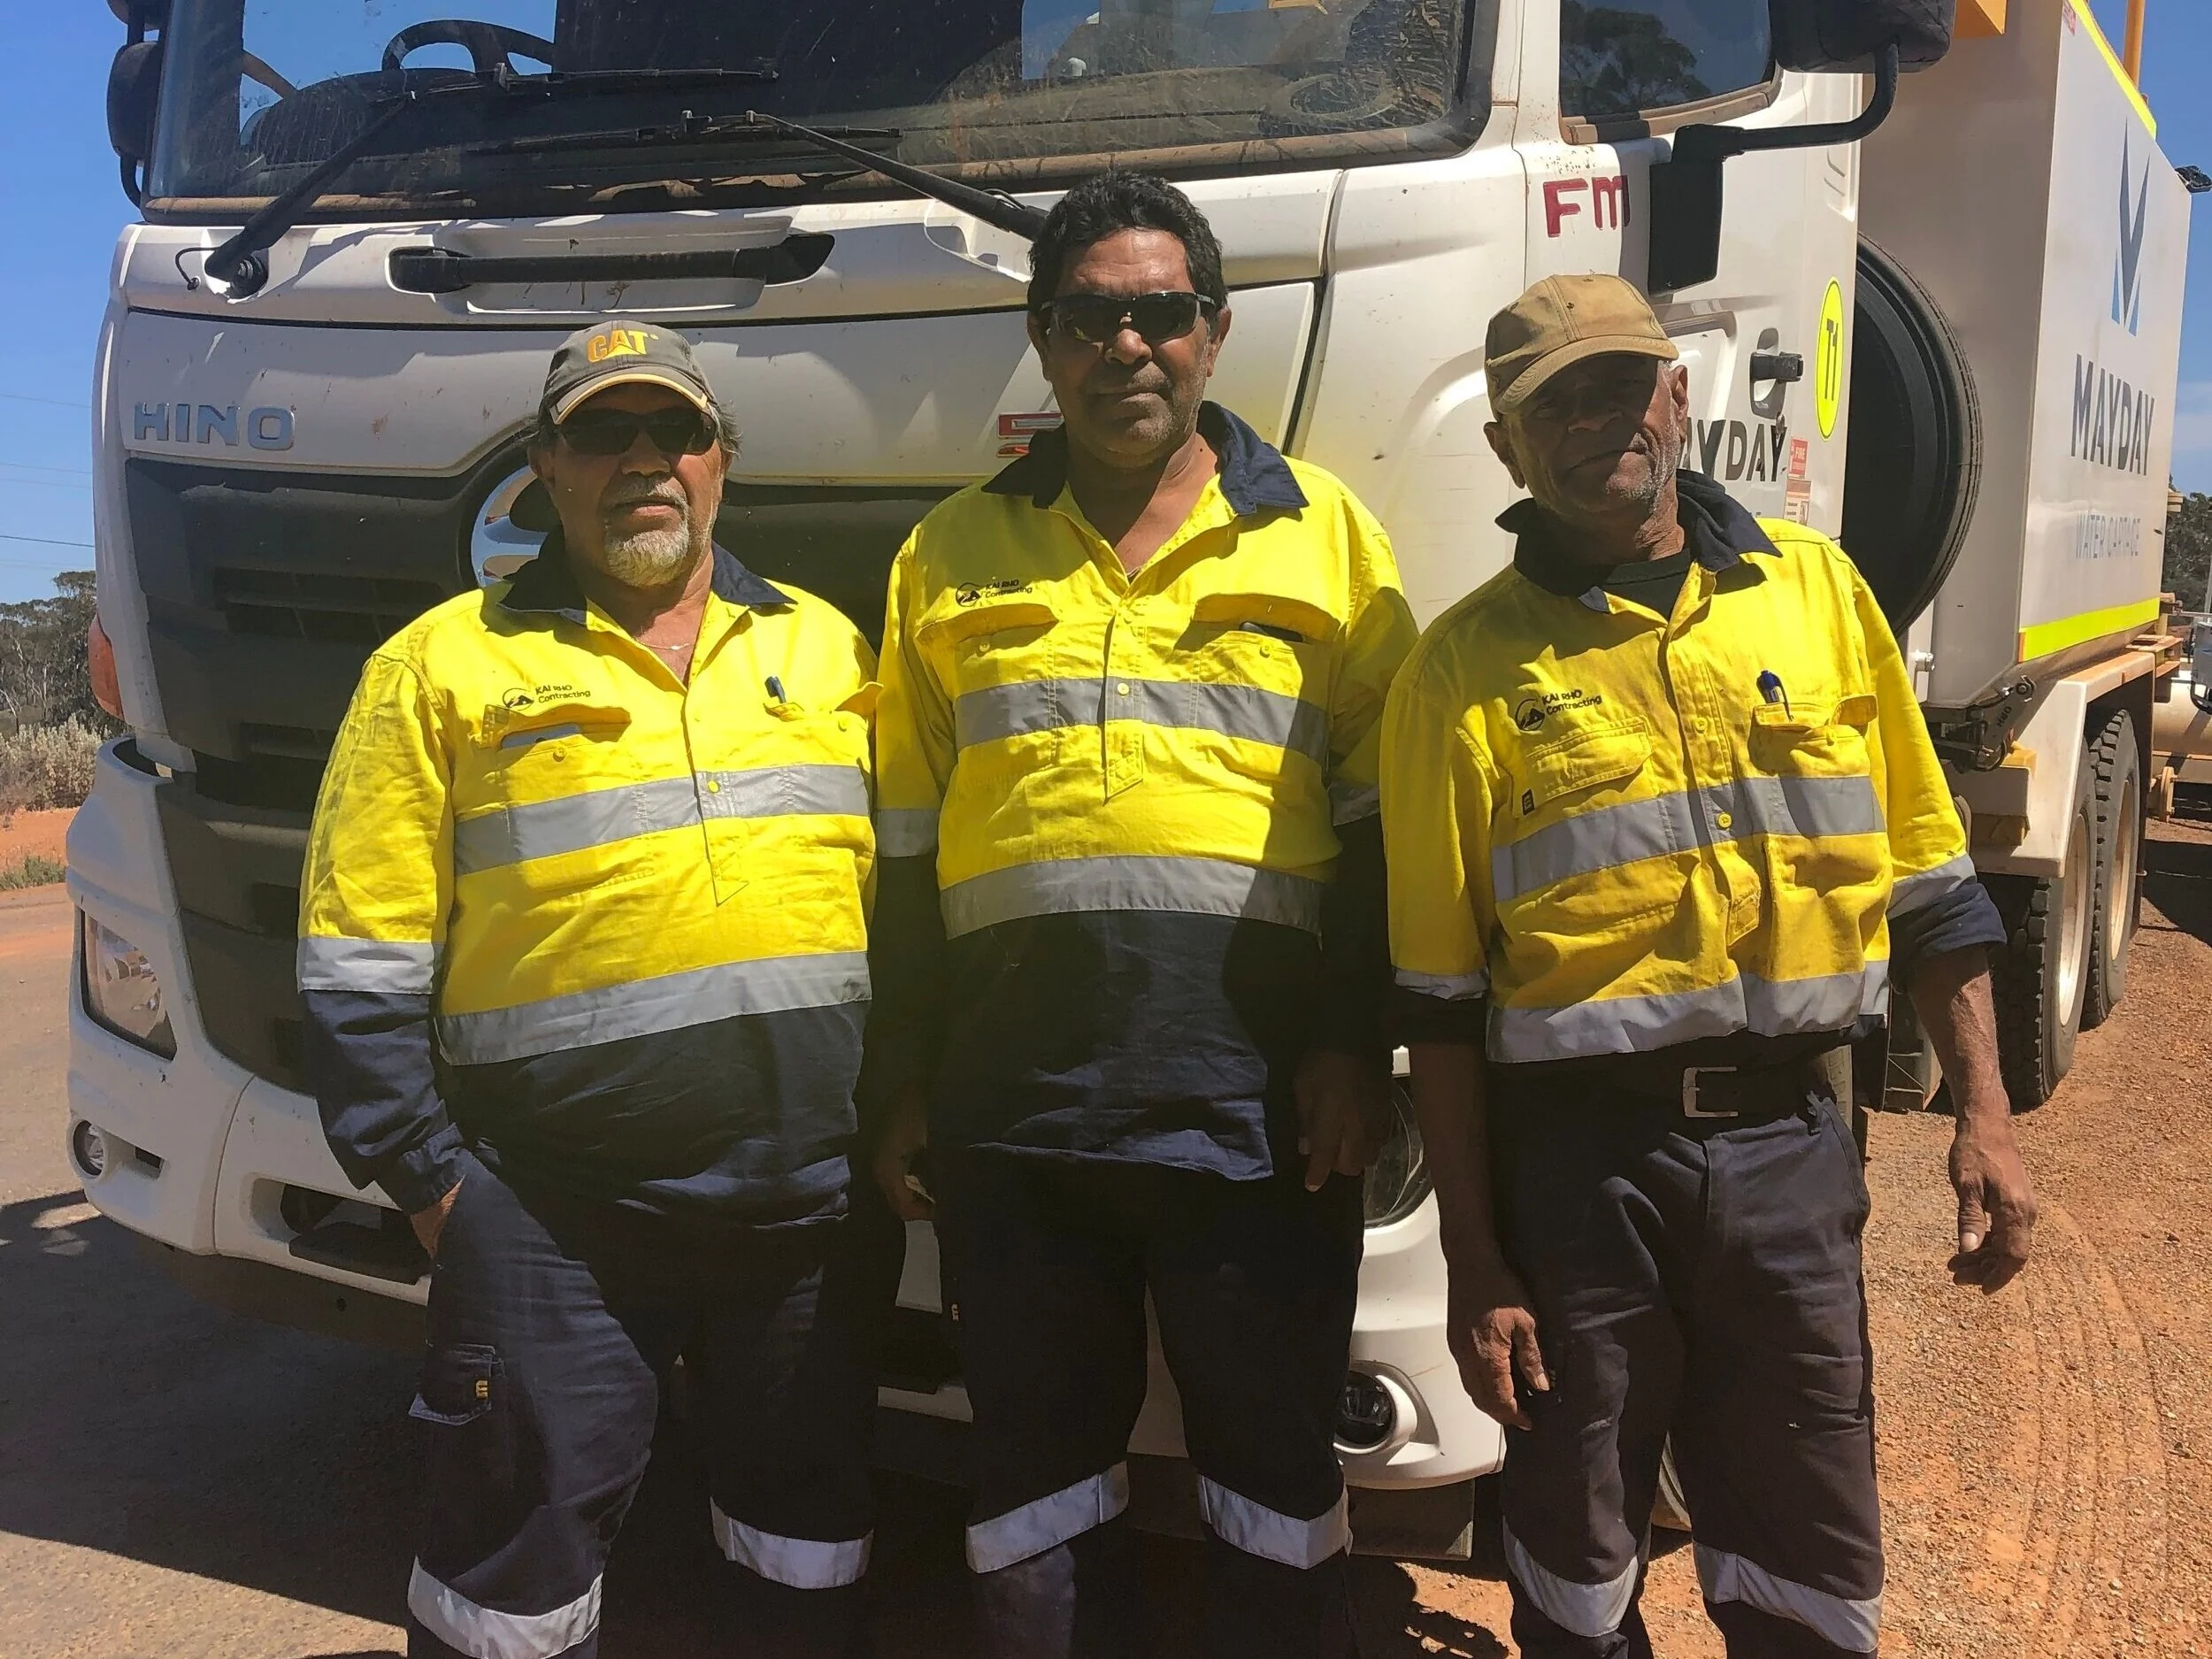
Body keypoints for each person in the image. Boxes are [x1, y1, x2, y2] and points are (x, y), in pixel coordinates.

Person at [1381, 273, 2039, 1658]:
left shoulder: (1818, 596)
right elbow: (1438, 1002)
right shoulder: (1458, 671)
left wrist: (1984, 1106)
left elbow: (1927, 879)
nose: (1596, 421)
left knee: (1805, 1524)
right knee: (1574, 1532)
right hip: (1580, 1172)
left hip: (1797, 1146)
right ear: (1505, 447)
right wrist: (1476, 1252)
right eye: (1551, 403)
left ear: (1678, 395)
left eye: (1621, 383)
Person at [865, 172, 1417, 1659]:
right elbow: (905, 856)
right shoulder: (949, 555)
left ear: (1215, 332)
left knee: (1271, 1477)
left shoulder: (1330, 543)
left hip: (1261, 1117)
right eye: (1093, 317)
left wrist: (1354, 1049)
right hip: (1015, 1121)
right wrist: (907, 1077)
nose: (1131, 347)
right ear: (1045, 343)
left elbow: (1384, 833)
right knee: (1035, 1483)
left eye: (1161, 314)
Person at [297, 319, 887, 1659]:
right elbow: (355, 952)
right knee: (510, 1594)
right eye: (602, 435)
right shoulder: (438, 668)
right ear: (542, 468)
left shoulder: (835, 653)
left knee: (805, 1552)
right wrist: (443, 1188)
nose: (644, 462)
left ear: (720, 461)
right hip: (552, 1218)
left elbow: (901, 908)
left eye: (673, 431)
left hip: (807, 1210)